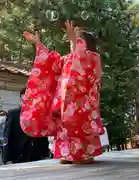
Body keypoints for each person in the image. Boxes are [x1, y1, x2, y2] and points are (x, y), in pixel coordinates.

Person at [20, 21, 104, 164]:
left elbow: (84, 66)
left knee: (80, 126)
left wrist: (73, 41)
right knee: (64, 127)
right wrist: (39, 45)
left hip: (82, 103)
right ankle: (68, 154)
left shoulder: (92, 57)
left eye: (78, 40)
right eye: (73, 40)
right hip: (64, 102)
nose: (73, 42)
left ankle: (84, 154)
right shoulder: (66, 59)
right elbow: (50, 63)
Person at [2, 88, 50, 164]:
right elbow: (5, 137)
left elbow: (43, 136)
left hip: (36, 158)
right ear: (22, 96)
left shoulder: (38, 114)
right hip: (17, 157)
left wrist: (45, 155)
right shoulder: (13, 113)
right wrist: (6, 159)